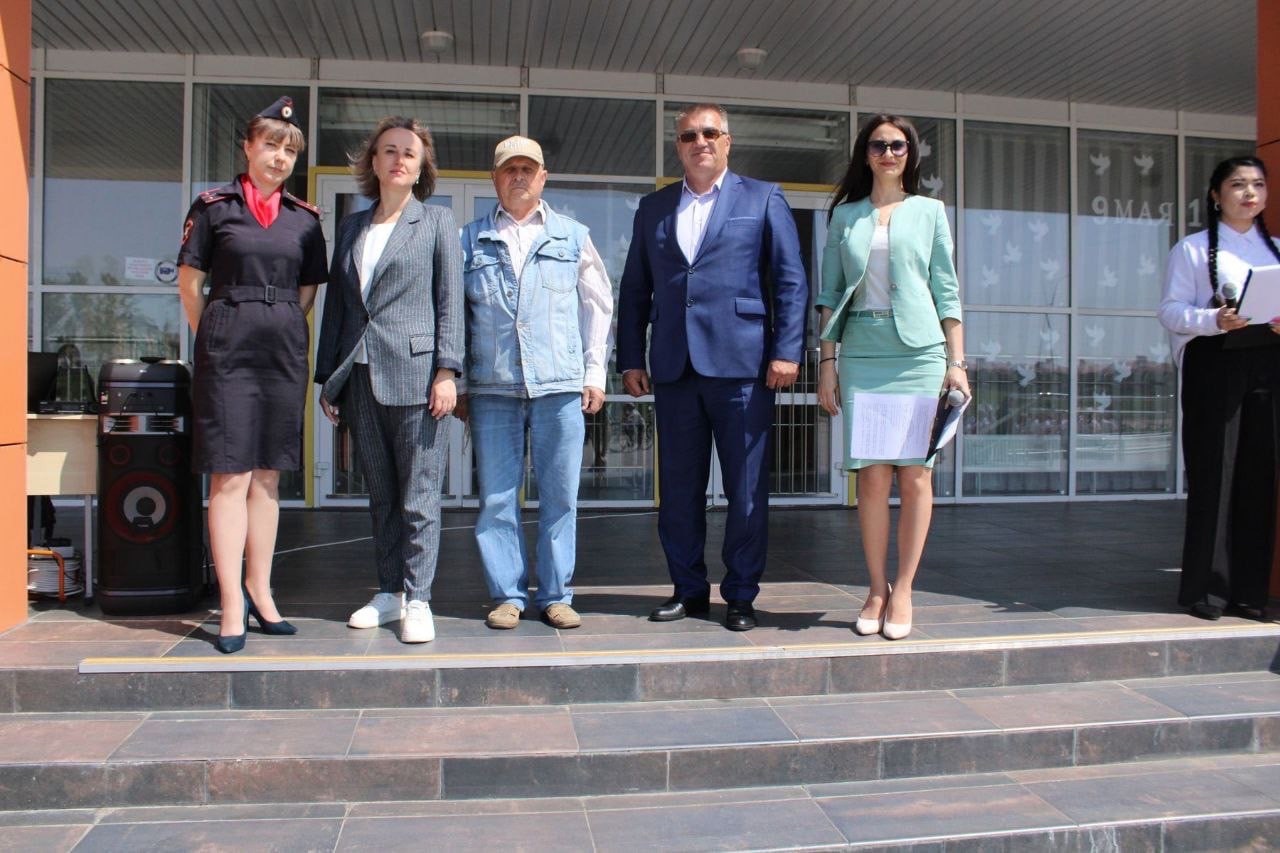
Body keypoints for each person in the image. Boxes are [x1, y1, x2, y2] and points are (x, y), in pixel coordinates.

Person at [617, 103, 808, 632]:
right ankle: (688, 590)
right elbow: (634, 289)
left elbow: (790, 280)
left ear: (727, 141)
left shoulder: (762, 197)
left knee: (745, 491)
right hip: (675, 368)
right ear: (678, 146)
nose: (699, 142)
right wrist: (630, 357)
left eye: (709, 133)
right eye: (688, 136)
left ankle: (741, 594)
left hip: (744, 367)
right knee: (679, 491)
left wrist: (788, 350)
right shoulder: (653, 207)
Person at [177, 96, 327, 653]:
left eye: (290, 150)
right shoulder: (214, 208)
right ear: (248, 146)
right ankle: (231, 603)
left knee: (267, 476)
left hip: (282, 350)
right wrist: (218, 333)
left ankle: (261, 592)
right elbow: (190, 283)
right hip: (227, 348)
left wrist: (278, 318)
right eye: (271, 145)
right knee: (230, 475)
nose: (280, 157)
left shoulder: (305, 219)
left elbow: (308, 289)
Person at [815, 114, 967, 641]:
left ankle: (904, 589)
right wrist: (827, 363)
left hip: (920, 354)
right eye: (879, 145)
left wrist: (956, 362)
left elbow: (946, 290)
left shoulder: (930, 212)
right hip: (863, 352)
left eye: (898, 145)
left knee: (915, 473)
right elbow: (829, 293)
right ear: (865, 153)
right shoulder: (846, 216)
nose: (888, 153)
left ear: (910, 154)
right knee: (873, 476)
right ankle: (876, 588)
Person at [314, 116, 464, 644]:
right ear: (373, 162)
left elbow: (449, 301)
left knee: (418, 496)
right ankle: (389, 591)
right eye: (389, 151)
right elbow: (338, 307)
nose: (399, 159)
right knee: (380, 495)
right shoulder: (352, 227)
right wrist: (327, 378)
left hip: (418, 376)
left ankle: (419, 598)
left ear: (421, 167)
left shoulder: (437, 222)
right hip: (359, 375)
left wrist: (447, 370)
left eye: (409, 153)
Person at [457, 136, 613, 631]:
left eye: (529, 169)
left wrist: (594, 372)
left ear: (543, 177)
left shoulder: (572, 236)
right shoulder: (470, 239)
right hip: (492, 388)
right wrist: (458, 380)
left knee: (560, 497)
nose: (519, 176)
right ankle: (507, 595)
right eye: (510, 169)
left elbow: (598, 304)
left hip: (559, 387)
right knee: (497, 499)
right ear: (495, 179)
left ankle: (555, 595)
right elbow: (453, 315)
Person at [1157, 156, 1280, 620]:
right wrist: (1214, 319)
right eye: (1238, 185)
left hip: (1268, 366)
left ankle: (1249, 593)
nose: (1249, 193)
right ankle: (1206, 592)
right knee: (1214, 476)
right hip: (1214, 365)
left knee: (1259, 477)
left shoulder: (1277, 250)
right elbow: (1170, 311)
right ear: (1216, 195)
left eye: (1258, 185)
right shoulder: (1192, 249)